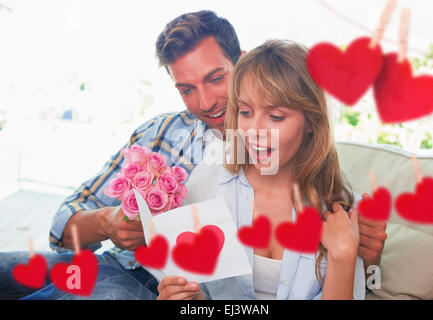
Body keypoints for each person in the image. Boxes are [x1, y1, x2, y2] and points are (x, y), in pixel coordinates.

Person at [0, 10, 386, 300]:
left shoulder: (319, 188)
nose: (206, 102)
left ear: (243, 63)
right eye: (186, 89)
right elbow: (62, 223)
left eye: (216, 79)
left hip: (136, 286)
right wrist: (108, 222)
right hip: (116, 261)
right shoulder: (164, 136)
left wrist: (360, 259)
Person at [157, 39, 365, 300]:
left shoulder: (340, 210)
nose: (254, 131)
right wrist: (190, 299)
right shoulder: (206, 186)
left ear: (311, 123)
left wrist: (343, 256)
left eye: (275, 117)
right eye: (245, 112)